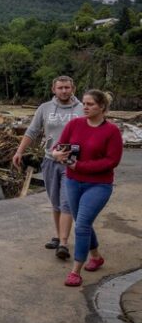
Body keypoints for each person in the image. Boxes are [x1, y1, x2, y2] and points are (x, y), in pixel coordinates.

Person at [52, 89, 123, 287]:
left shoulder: (112, 131)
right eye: (84, 103)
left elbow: (112, 161)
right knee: (84, 222)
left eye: (90, 104)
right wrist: (57, 153)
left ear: (102, 107)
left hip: (99, 185)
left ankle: (75, 271)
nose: (85, 107)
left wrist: (79, 166)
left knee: (82, 224)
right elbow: (59, 146)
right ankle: (96, 257)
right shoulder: (74, 124)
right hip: (73, 181)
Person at [12, 76, 83, 260]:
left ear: (73, 88)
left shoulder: (82, 109)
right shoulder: (45, 108)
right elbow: (32, 131)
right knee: (55, 202)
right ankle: (58, 236)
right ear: (54, 89)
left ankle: (64, 244)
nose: (64, 91)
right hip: (50, 160)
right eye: (60, 88)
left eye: (67, 87)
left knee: (67, 201)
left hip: (72, 163)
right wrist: (19, 152)